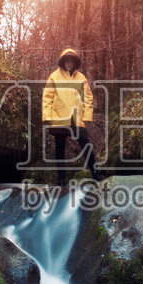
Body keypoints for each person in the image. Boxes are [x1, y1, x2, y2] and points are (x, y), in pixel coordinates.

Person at [42, 47, 100, 186]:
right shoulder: (54, 76)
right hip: (59, 117)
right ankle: (61, 180)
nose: (69, 63)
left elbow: (88, 97)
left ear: (75, 62)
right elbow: (48, 97)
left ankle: (96, 173)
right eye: (67, 61)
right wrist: (47, 116)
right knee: (59, 149)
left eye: (71, 61)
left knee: (86, 145)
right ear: (63, 62)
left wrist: (87, 116)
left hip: (76, 118)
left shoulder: (81, 78)